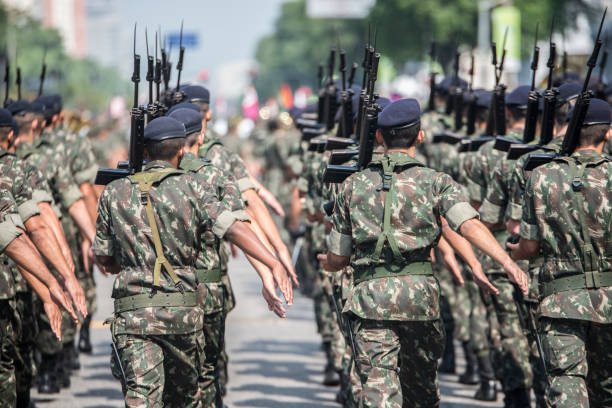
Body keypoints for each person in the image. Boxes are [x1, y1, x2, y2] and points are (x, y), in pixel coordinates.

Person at [319, 98, 528, 408]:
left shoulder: (352, 185)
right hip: (420, 301)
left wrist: (328, 264)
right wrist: (507, 263)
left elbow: (338, 258)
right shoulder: (436, 182)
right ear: (420, 136)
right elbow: (468, 225)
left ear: (379, 137)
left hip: (370, 300)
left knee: (379, 389)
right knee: (422, 391)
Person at [92, 116, 291, 407]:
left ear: (144, 152)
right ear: (181, 152)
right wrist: (272, 262)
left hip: (133, 314)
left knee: (141, 397)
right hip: (182, 315)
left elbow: (103, 256)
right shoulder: (194, 187)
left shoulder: (114, 192)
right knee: (184, 398)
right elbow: (233, 227)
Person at [509, 98, 612, 407]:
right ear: (607, 134)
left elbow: (530, 247)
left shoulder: (541, 176)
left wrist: (512, 254)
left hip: (561, 301)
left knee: (567, 382)